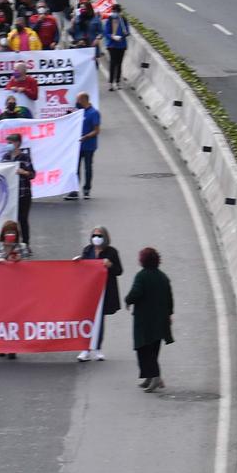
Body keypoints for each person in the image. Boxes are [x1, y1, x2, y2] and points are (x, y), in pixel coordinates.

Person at [127, 246, 175, 391]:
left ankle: (155, 377)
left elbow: (135, 293)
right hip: (160, 321)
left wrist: (128, 300)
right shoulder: (163, 277)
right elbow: (169, 298)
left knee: (144, 350)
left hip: (144, 321)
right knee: (154, 350)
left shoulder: (141, 276)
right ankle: (150, 377)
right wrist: (169, 314)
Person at [76, 226, 124, 362]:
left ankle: (97, 349)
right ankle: (85, 349)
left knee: (99, 320)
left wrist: (110, 266)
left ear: (105, 238)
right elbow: (83, 269)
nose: (96, 238)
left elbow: (119, 271)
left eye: (99, 236)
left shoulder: (112, 252)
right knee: (86, 319)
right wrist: (78, 262)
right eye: (94, 235)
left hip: (104, 291)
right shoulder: (88, 250)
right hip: (89, 290)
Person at [67, 93, 101, 199]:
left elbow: (96, 130)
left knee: (88, 168)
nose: (77, 102)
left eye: (78, 100)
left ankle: (87, 190)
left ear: (83, 100)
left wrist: (85, 137)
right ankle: (74, 191)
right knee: (75, 169)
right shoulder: (78, 113)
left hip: (89, 146)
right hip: (77, 146)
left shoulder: (93, 113)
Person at [99, 6, 131, 89]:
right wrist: (113, 37)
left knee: (119, 63)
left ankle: (117, 82)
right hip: (112, 45)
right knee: (113, 63)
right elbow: (106, 32)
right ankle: (110, 82)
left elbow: (127, 32)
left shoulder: (123, 20)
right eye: (113, 11)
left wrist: (125, 33)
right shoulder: (110, 20)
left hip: (121, 45)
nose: (114, 13)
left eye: (116, 11)